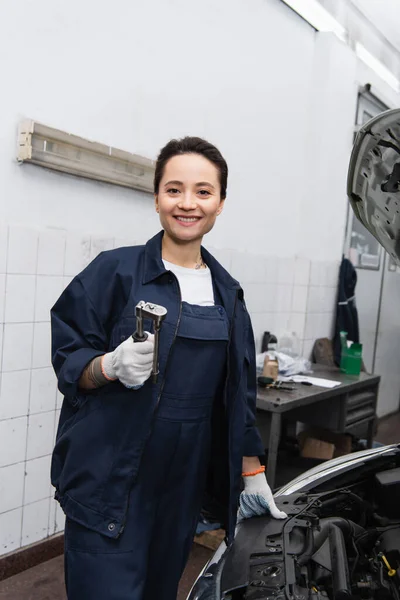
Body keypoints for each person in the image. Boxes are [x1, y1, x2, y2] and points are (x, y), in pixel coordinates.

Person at [50, 136, 286, 600]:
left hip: (180, 491)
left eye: (203, 191)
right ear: (156, 196)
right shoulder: (113, 273)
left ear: (220, 203)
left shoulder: (228, 294)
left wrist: (252, 470)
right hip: (110, 480)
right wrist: (108, 366)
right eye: (174, 189)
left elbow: (237, 393)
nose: (187, 203)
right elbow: (68, 358)